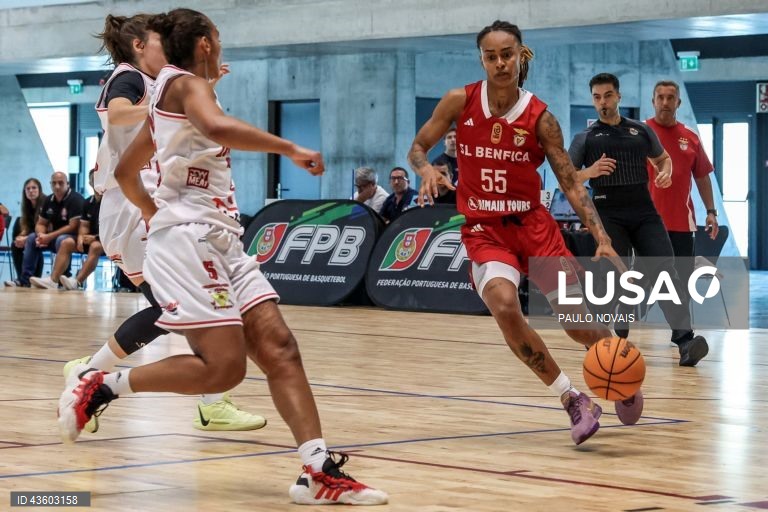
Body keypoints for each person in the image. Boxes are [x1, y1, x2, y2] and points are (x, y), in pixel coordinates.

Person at [58, 9, 387, 506]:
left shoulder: (169, 91)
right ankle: (102, 385)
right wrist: (289, 147)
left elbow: (127, 172)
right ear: (207, 44)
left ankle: (318, 470)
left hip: (220, 238)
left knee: (280, 347)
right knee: (225, 369)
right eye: (220, 42)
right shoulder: (186, 86)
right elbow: (216, 125)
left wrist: (153, 212)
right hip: (190, 241)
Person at [408, 20, 638, 446]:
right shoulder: (460, 101)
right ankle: (572, 399)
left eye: (507, 54)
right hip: (485, 230)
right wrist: (425, 169)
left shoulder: (541, 118)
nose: (500, 62)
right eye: (491, 56)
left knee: (577, 323)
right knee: (504, 305)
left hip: (534, 227)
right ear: (482, 59)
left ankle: (618, 370)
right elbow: (418, 147)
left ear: (520, 55)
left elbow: (570, 181)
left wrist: (602, 237)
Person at [63, 13, 264, 433]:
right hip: (131, 205)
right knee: (186, 303)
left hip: (140, 205)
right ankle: (92, 375)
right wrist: (158, 109)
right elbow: (119, 114)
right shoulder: (128, 77)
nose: (167, 51)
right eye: (159, 43)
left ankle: (208, 398)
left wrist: (198, 92)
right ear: (140, 46)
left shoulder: (160, 85)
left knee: (185, 303)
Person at [568, 72, 709, 367]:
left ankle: (685, 341)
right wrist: (589, 172)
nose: (602, 102)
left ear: (618, 97)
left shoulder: (640, 131)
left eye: (607, 96)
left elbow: (663, 159)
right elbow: (565, 179)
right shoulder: (586, 138)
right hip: (607, 213)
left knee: (665, 271)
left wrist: (665, 171)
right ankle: (602, 338)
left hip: (644, 211)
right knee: (612, 276)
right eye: (597, 97)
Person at [646, 80, 719, 293]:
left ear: (679, 102)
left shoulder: (690, 137)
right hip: (647, 224)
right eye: (661, 97)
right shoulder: (641, 133)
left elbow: (702, 177)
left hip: (682, 224)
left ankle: (682, 327)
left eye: (671, 98)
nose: (665, 102)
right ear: (653, 101)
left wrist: (711, 212)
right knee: (643, 282)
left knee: (681, 285)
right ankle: (630, 323)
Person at [27, 172, 84, 289]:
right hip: (53, 237)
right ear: (50, 185)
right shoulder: (49, 200)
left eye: (60, 183)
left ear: (67, 184)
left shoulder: (76, 199)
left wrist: (49, 237)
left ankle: (61, 277)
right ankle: (25, 279)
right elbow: (41, 223)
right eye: (54, 183)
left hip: (74, 238)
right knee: (32, 238)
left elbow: (73, 226)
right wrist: (41, 235)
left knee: (62, 240)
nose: (57, 186)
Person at [60, 170, 104, 290]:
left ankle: (77, 282)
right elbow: (84, 226)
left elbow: (115, 228)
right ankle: (53, 280)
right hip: (89, 240)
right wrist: (80, 238)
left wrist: (95, 238)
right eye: (93, 180)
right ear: (90, 182)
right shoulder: (87, 202)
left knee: (95, 246)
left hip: (106, 242)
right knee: (67, 242)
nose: (96, 182)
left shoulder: (111, 201)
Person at [4, 178, 45, 287]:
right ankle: (21, 279)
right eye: (28, 189)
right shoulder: (26, 206)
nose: (31, 191)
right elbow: (27, 225)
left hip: (46, 234)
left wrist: (26, 238)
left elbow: (44, 228)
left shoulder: (45, 203)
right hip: (33, 234)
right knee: (15, 244)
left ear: (39, 190)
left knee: (32, 241)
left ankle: (33, 279)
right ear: (24, 192)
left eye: (34, 188)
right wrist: (21, 236)